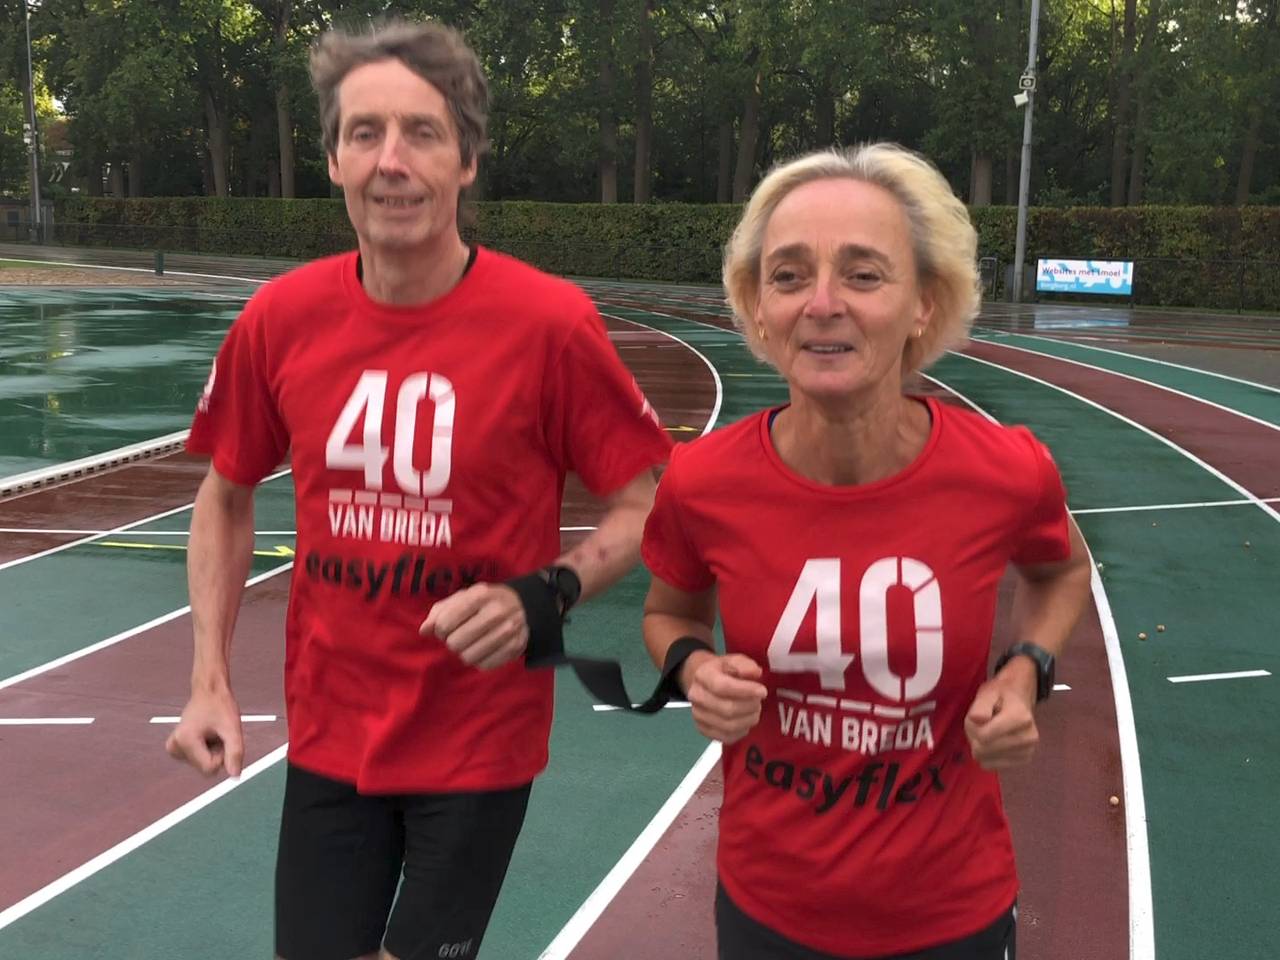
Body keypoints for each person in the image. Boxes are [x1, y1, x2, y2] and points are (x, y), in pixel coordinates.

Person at [164, 19, 671, 960]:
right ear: (333, 160)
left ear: (466, 160)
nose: (391, 161)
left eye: (422, 133)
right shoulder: (279, 319)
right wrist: (208, 683)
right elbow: (224, 497)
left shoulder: (549, 326)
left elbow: (648, 507)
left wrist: (546, 593)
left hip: (478, 742)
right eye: (365, 133)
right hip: (331, 735)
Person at [640, 143, 1092, 960]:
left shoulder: (1006, 469)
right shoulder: (702, 480)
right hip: (767, 910)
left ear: (924, 303)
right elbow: (669, 613)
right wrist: (693, 670)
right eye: (788, 276)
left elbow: (1062, 570)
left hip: (952, 915)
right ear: (759, 308)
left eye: (862, 274)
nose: (822, 303)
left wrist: (1025, 670)